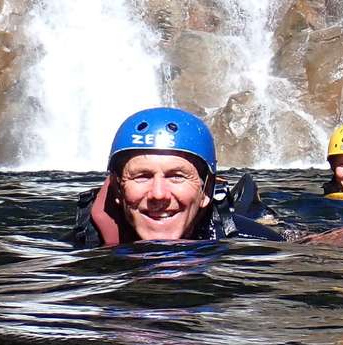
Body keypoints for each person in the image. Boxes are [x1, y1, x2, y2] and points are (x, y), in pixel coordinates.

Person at [68, 106, 282, 248]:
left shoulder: (257, 242)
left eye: (176, 176)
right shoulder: (82, 246)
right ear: (117, 189)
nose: (158, 194)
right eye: (142, 176)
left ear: (205, 190)